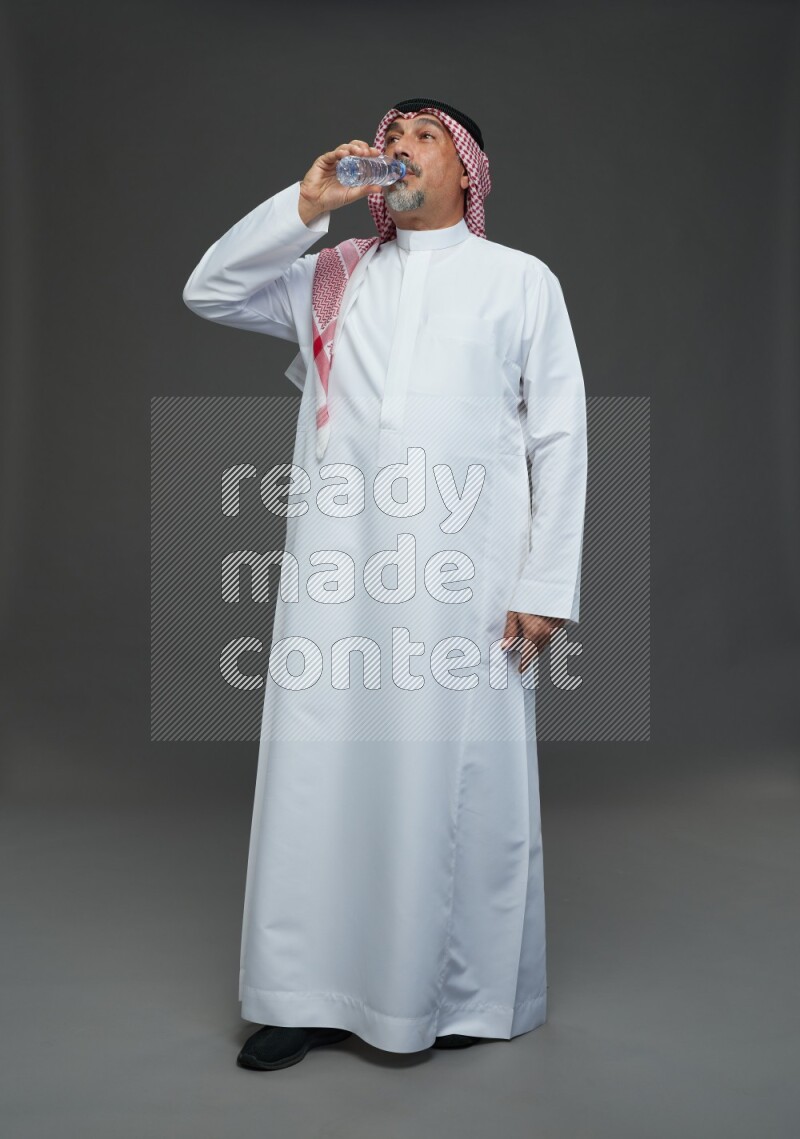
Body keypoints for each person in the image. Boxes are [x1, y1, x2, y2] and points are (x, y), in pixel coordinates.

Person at [182, 98, 588, 1071]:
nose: (396, 147)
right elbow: (208, 290)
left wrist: (544, 582)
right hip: (336, 575)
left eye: (421, 136)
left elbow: (558, 434)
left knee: (451, 776)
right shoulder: (333, 273)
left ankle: (453, 990)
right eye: (387, 135)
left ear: (467, 172)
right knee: (321, 773)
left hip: (466, 580)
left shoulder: (516, 281)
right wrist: (305, 201)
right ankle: (303, 991)